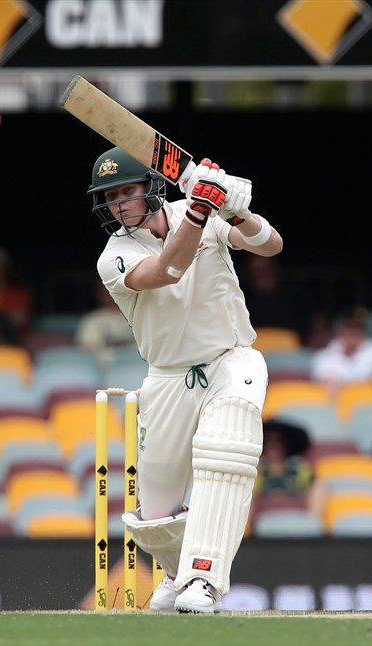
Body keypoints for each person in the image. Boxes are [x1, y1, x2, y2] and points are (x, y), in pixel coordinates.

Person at [87, 146, 283, 614]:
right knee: (153, 520)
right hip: (168, 377)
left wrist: (237, 209)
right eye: (111, 197)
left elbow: (270, 244)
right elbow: (167, 270)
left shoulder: (203, 212)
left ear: (152, 188)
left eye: (128, 192)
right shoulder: (114, 256)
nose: (120, 205)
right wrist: (202, 207)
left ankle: (204, 579)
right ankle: (178, 575)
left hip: (229, 360)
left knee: (226, 450)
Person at [239, 254, 330, 349]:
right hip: (253, 351)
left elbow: (317, 320)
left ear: (274, 268)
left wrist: (318, 336)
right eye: (256, 271)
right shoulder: (242, 297)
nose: (261, 275)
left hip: (296, 351)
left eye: (265, 269)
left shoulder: (296, 292)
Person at [310, 306, 372, 399]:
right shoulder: (325, 355)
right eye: (350, 326)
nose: (355, 331)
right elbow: (330, 387)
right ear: (340, 329)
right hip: (343, 406)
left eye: (359, 327)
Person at [251, 418, 324, 520]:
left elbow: (316, 488)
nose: (273, 445)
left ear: (286, 445)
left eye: (278, 441)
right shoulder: (255, 473)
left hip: (296, 526)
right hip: (260, 529)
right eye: (268, 441)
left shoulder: (300, 471)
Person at [74, 276, 137, 368]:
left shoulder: (141, 316)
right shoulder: (91, 319)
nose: (110, 293)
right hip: (103, 370)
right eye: (105, 290)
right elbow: (86, 351)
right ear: (98, 294)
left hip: (137, 367)